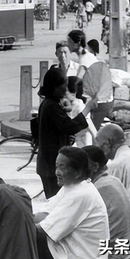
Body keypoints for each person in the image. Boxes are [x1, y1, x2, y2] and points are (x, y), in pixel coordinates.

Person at [35, 147, 110, 259]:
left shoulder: (81, 194)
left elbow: (43, 230)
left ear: (79, 172)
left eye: (62, 167)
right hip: (72, 251)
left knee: (29, 239)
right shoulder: (70, 187)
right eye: (56, 166)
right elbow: (42, 214)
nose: (57, 172)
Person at [37, 68, 96, 198]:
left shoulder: (49, 104)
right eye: (62, 86)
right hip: (51, 167)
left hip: (49, 164)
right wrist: (87, 109)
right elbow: (69, 127)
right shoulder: (51, 106)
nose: (65, 90)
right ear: (54, 87)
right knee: (57, 204)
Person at [82, 146, 130, 259]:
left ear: (94, 167)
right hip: (122, 250)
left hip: (110, 254)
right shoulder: (114, 181)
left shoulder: (97, 188)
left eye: (82, 165)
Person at [68, 30, 113, 129]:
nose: (68, 45)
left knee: (88, 132)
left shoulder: (85, 59)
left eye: (69, 42)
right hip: (99, 98)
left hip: (99, 102)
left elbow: (77, 81)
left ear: (77, 43)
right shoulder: (87, 55)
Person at [66, 76, 97, 147]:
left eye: (66, 90)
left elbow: (91, 128)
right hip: (72, 141)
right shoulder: (65, 103)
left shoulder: (80, 106)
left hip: (82, 142)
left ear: (74, 93)